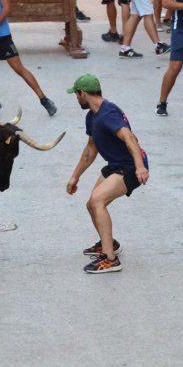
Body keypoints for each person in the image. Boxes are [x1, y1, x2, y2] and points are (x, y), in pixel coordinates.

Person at [65, 73, 149, 274]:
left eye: (76, 95)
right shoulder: (92, 116)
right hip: (116, 164)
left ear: (83, 94)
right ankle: (108, 243)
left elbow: (129, 138)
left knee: (97, 201)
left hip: (129, 166)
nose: (76, 99)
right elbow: (90, 149)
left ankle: (110, 259)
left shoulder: (108, 113)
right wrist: (75, 176)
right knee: (92, 205)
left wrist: (140, 167)